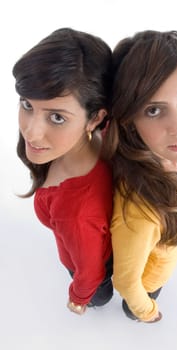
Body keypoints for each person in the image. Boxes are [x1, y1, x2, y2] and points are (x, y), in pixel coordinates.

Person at [103, 30, 177, 323]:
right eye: (154, 110)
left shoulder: (169, 153)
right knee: (132, 310)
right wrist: (147, 311)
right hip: (150, 283)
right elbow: (126, 282)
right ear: (129, 120)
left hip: (163, 263)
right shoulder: (140, 213)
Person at [13, 28, 114, 315]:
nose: (31, 132)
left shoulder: (75, 212)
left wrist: (80, 299)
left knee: (98, 296)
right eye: (27, 105)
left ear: (95, 117)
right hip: (99, 248)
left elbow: (90, 272)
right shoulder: (104, 134)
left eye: (57, 117)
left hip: (94, 271)